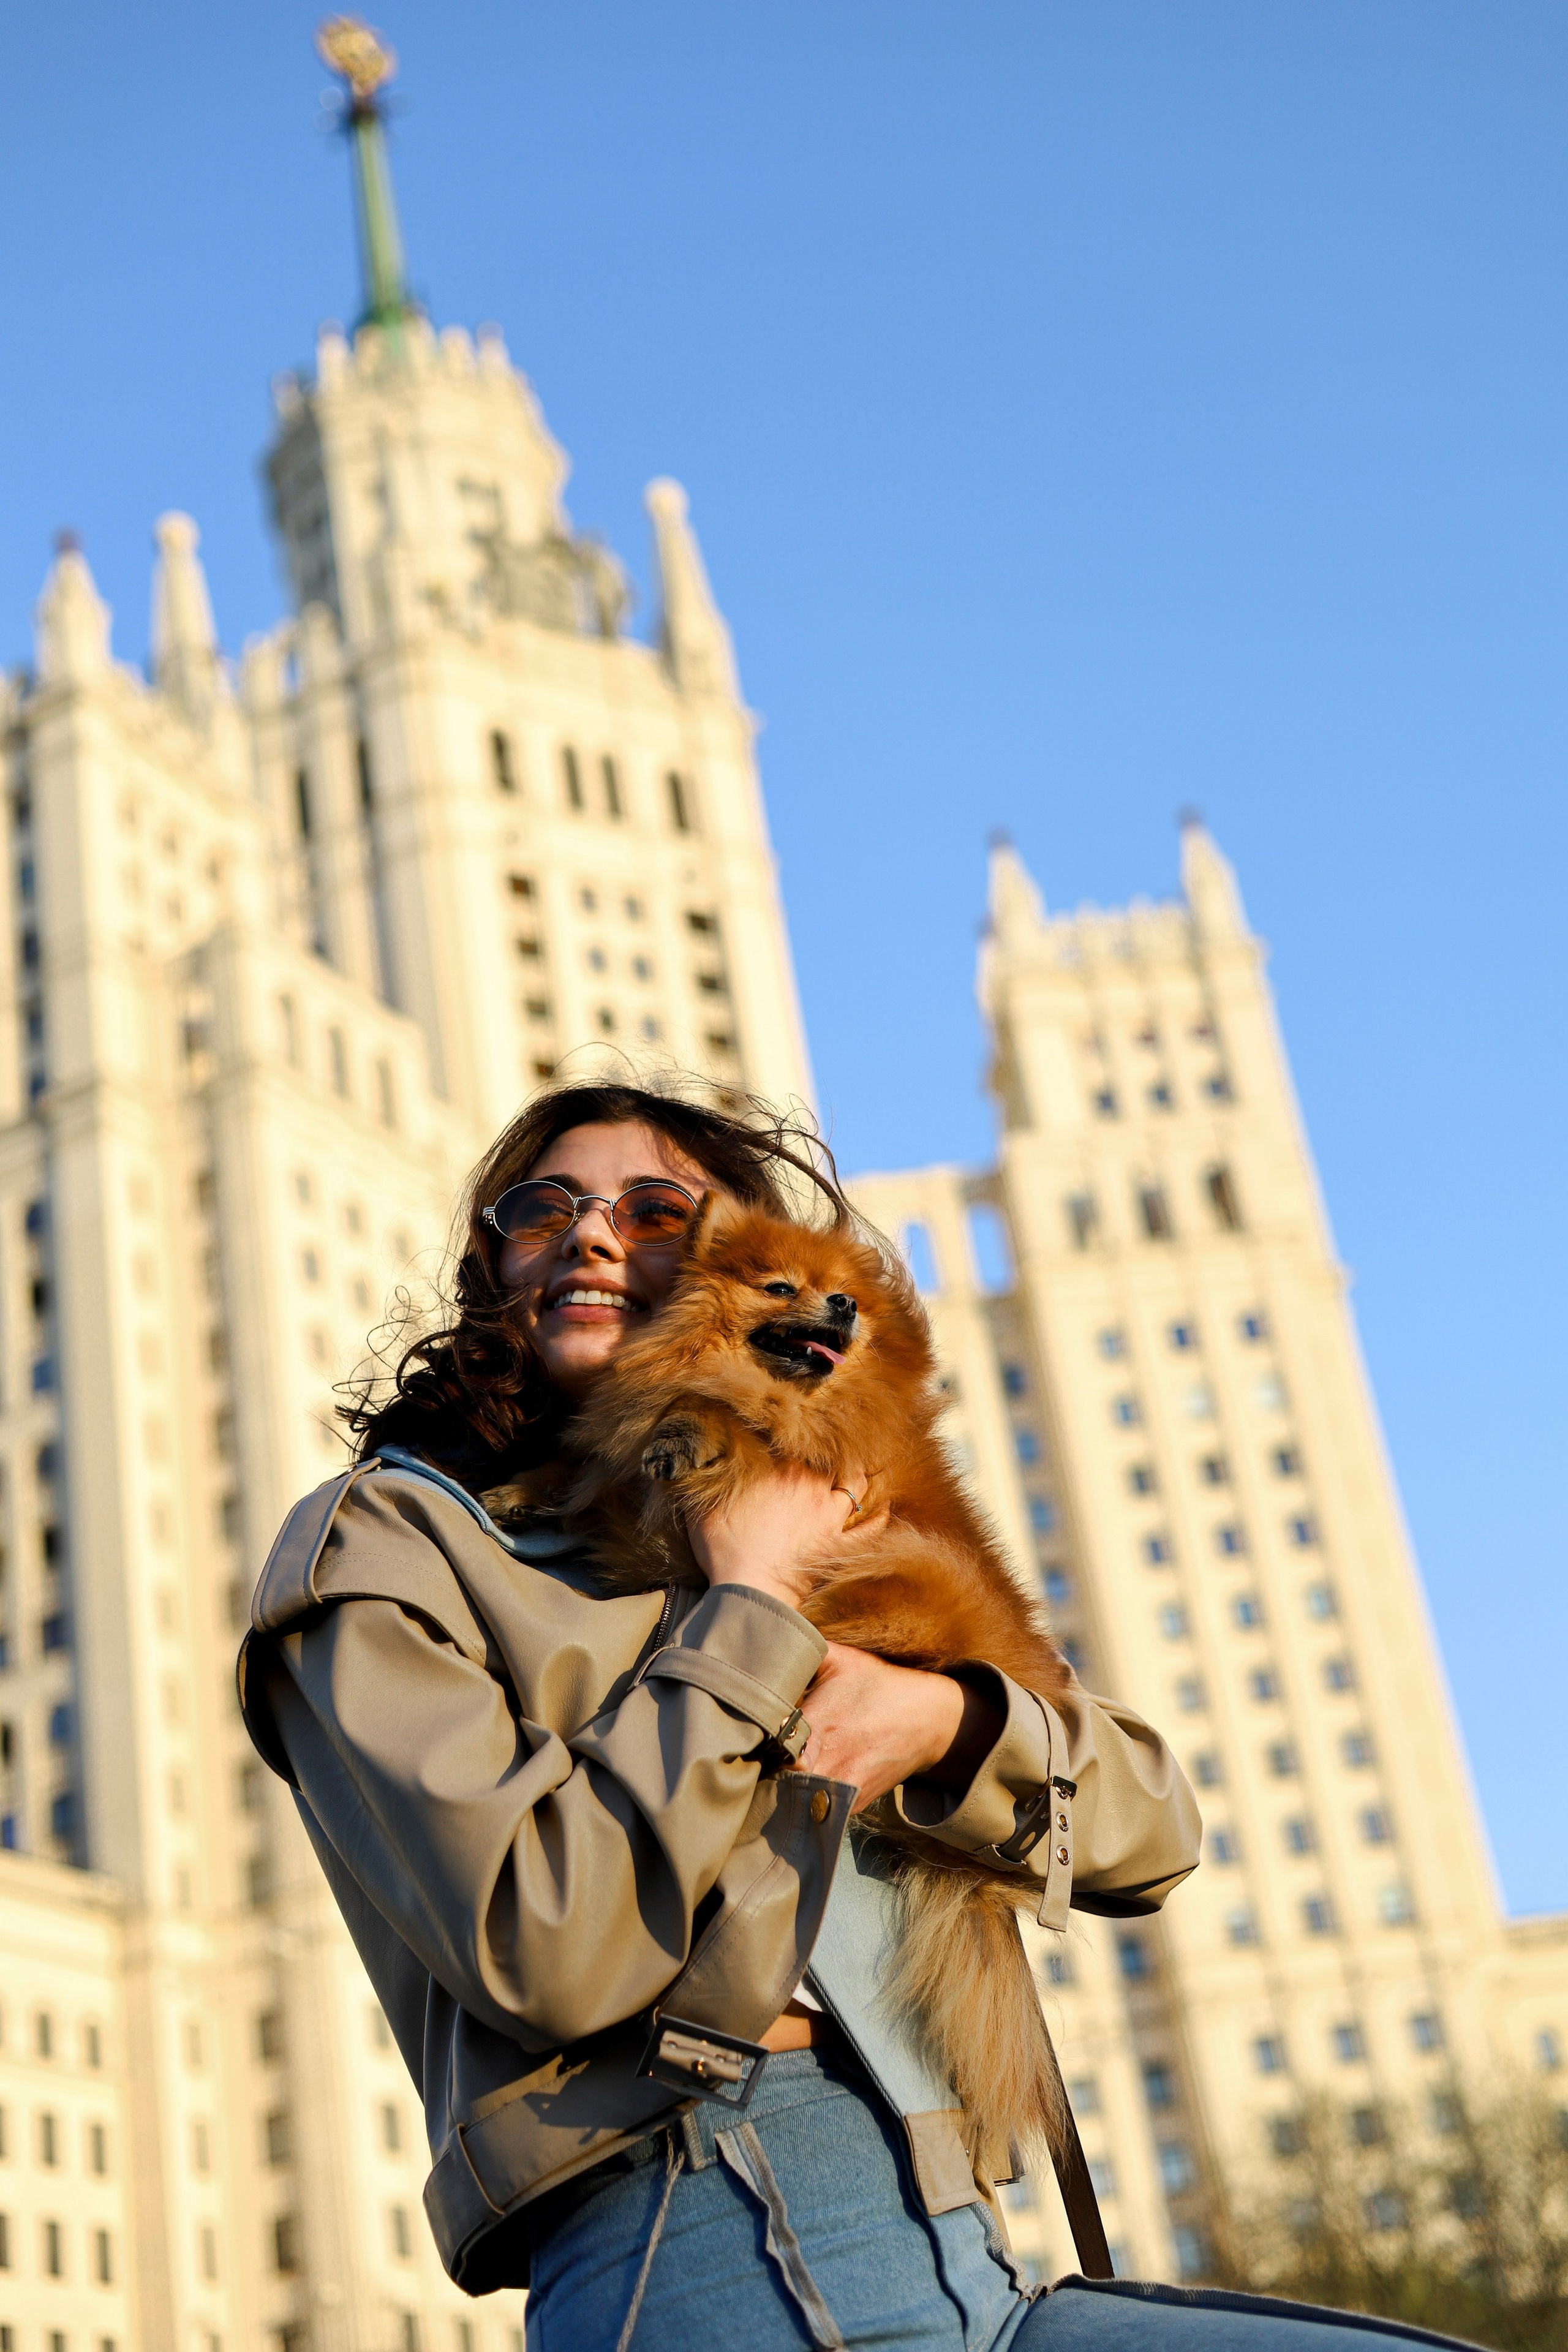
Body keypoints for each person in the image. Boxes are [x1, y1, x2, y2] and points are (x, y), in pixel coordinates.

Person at [238, 1081, 1478, 2352]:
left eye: (655, 1209)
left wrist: (935, 1724)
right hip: (698, 2235)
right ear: (493, 1266)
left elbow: (1148, 1824)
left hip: (975, 2256)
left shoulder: (831, 1505)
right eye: (542, 1209)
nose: (593, 1235)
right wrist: (751, 1604)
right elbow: (547, 1942)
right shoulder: (393, 1541)